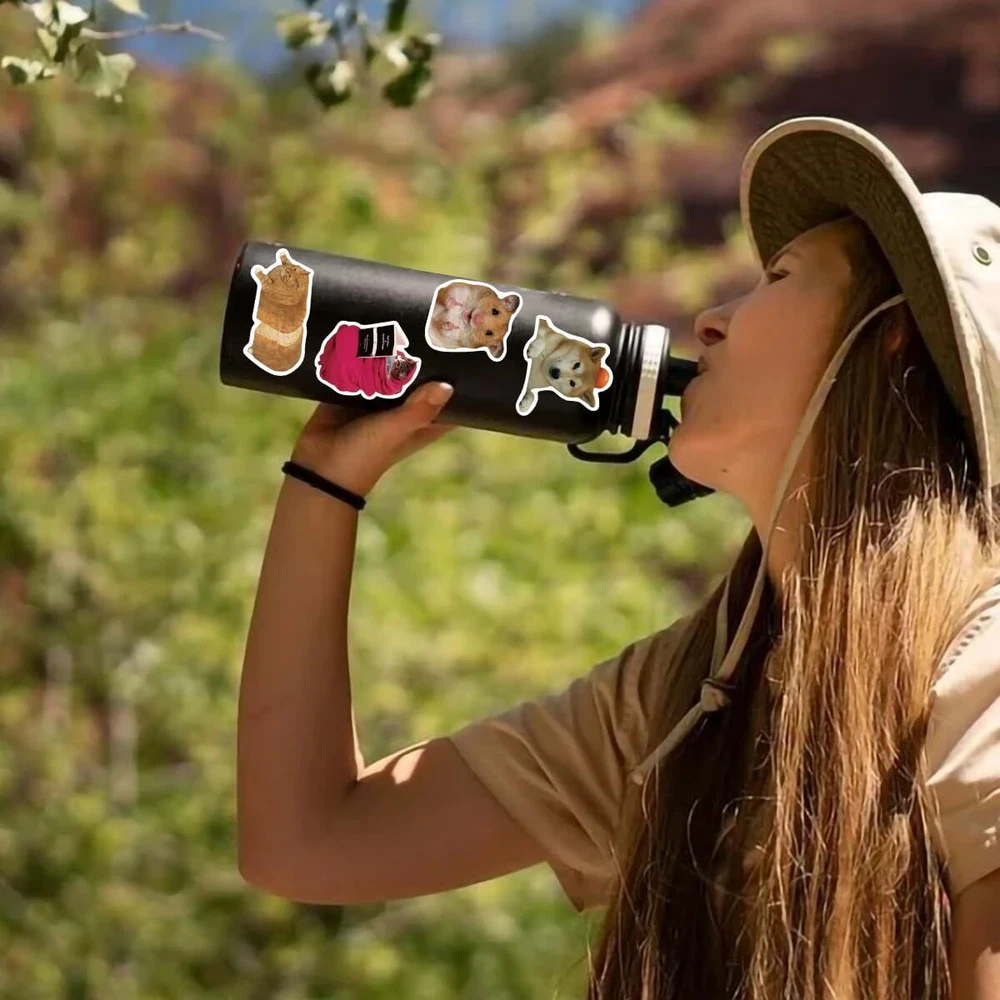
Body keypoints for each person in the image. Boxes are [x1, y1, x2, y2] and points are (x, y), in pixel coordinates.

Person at [235, 117, 1000, 999]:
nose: (710, 321)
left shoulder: (980, 669)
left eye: (780, 277)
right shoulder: (686, 699)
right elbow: (307, 841)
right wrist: (325, 480)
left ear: (891, 337)